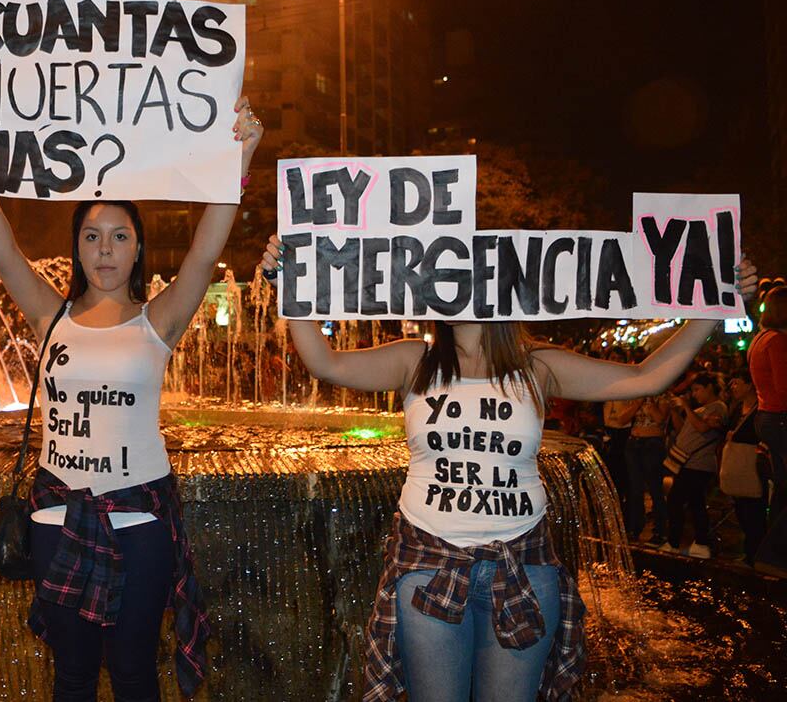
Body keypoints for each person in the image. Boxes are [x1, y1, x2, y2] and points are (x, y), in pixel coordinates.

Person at [258, 236, 756, 702]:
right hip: (428, 562)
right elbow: (326, 364)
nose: (449, 284)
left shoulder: (536, 366)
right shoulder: (415, 360)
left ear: (499, 285)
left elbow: (646, 376)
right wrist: (291, 281)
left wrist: (714, 308)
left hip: (524, 563)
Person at [0, 95, 263, 699]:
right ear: (77, 247)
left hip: (140, 519)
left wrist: (239, 160)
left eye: (118, 236)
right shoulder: (49, 316)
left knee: (134, 670)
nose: (105, 249)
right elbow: (0, 245)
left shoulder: (158, 320)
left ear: (137, 248)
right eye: (91, 236)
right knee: (74, 673)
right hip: (57, 514)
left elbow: (204, 253)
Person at [662, 373, 727, 559]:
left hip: (699, 464)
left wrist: (686, 407)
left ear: (709, 388)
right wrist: (675, 411)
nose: (695, 393)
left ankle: (677, 542)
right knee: (695, 503)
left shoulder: (718, 407)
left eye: (698, 389)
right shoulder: (701, 409)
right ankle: (699, 543)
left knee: (676, 500)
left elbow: (703, 428)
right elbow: (683, 429)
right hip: (688, 462)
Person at [749, 285, 787, 573]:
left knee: (782, 489)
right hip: (780, 417)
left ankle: (771, 555)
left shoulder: (760, 339)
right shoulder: (777, 342)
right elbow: (784, 388)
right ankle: (771, 554)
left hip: (767, 417)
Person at [723, 370, 767, 566]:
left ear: (750, 385)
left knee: (755, 510)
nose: (733, 387)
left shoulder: (761, 409)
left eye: (737, 383)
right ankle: (750, 552)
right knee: (741, 508)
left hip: (753, 464)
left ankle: (755, 554)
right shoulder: (736, 407)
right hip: (737, 465)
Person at [624, 394, 671, 545]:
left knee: (654, 488)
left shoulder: (662, 396)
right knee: (635, 489)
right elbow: (622, 419)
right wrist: (637, 403)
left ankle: (660, 530)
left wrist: (650, 403)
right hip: (634, 442)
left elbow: (660, 419)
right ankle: (635, 527)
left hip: (652, 443)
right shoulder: (637, 395)